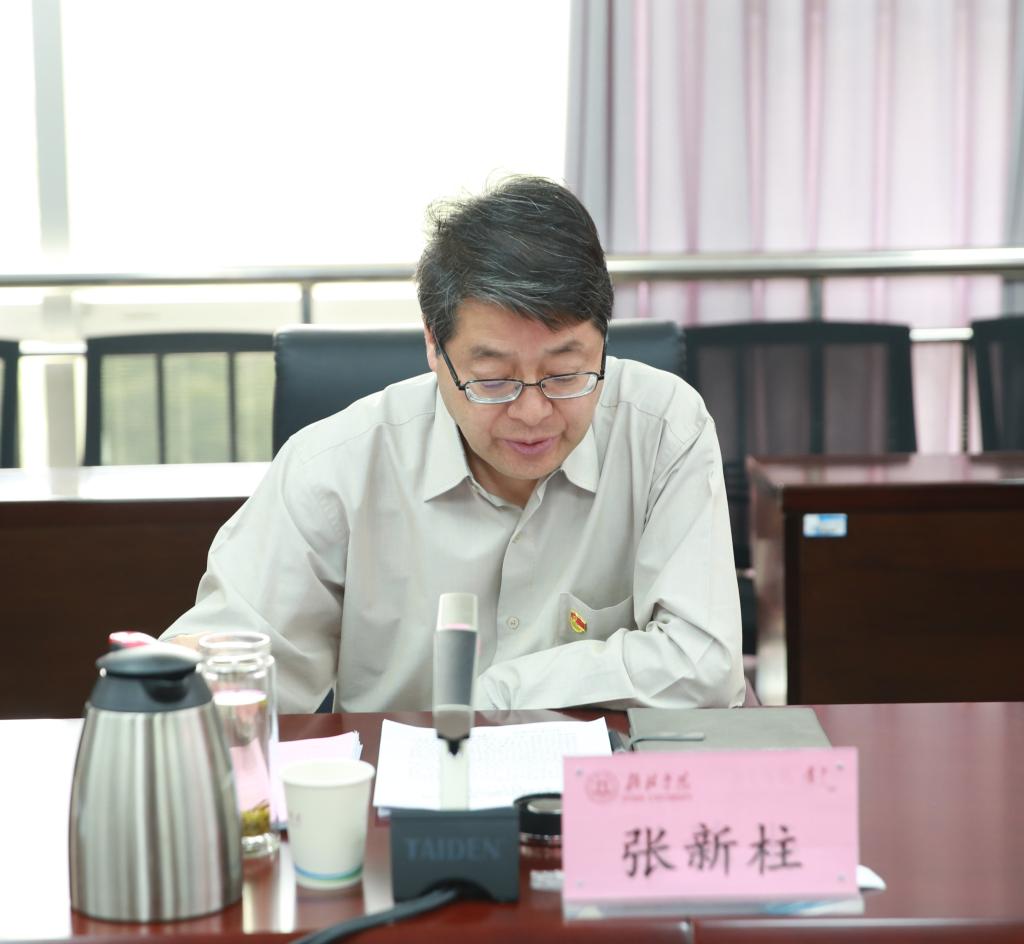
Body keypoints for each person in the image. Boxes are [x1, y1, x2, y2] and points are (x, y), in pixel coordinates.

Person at [163, 176, 744, 712]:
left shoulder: (663, 428)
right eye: (493, 380)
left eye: (566, 374)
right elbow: (237, 660)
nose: (533, 412)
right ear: (433, 348)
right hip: (398, 781)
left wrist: (495, 693)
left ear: (603, 343)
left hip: (598, 781)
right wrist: (180, 679)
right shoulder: (335, 468)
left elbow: (705, 666)